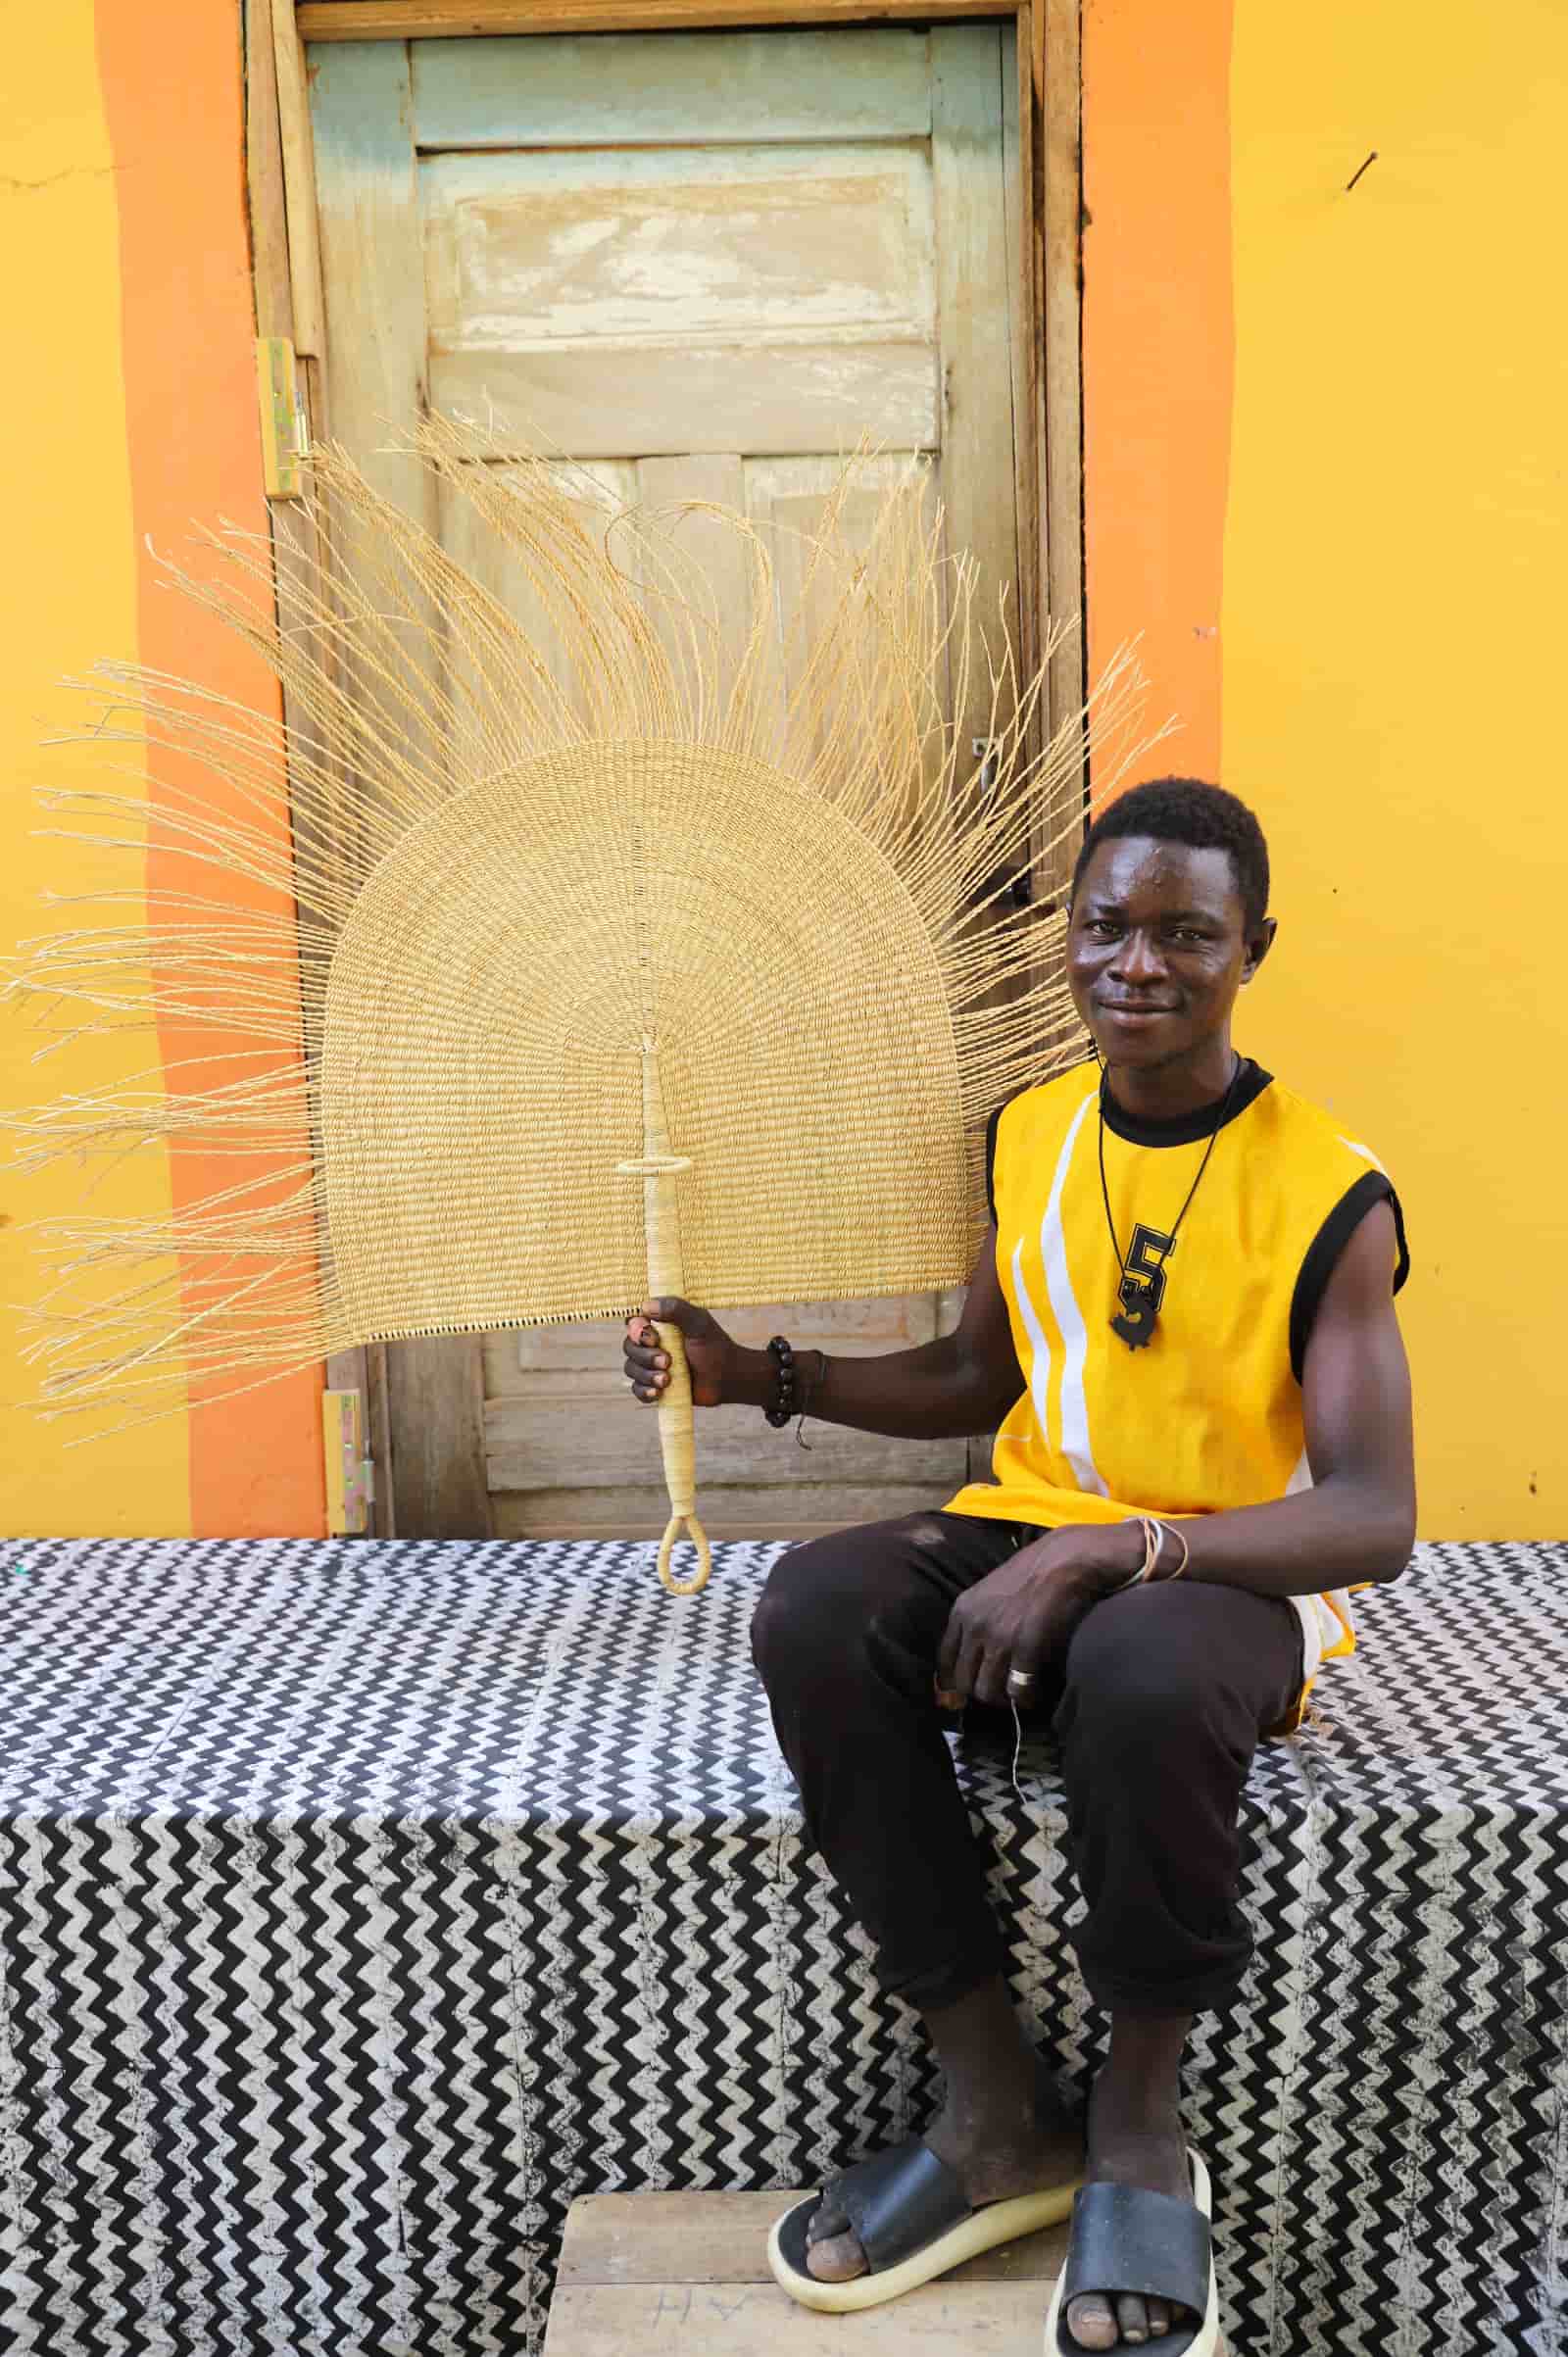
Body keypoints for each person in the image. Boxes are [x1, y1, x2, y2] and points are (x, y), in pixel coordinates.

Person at [620, 777, 1414, 2353]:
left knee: (1138, 1666)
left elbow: (1375, 1515)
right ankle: (993, 2108)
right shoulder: (1035, 1131)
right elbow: (981, 1374)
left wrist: (1112, 1552)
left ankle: (1137, 2128)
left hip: (1233, 1567)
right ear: (1070, 934)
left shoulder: (1332, 1189)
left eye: (1186, 933)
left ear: (1253, 947)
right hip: (1041, 1517)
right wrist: (752, 1372)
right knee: (816, 1610)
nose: (1139, 963)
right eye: (1107, 925)